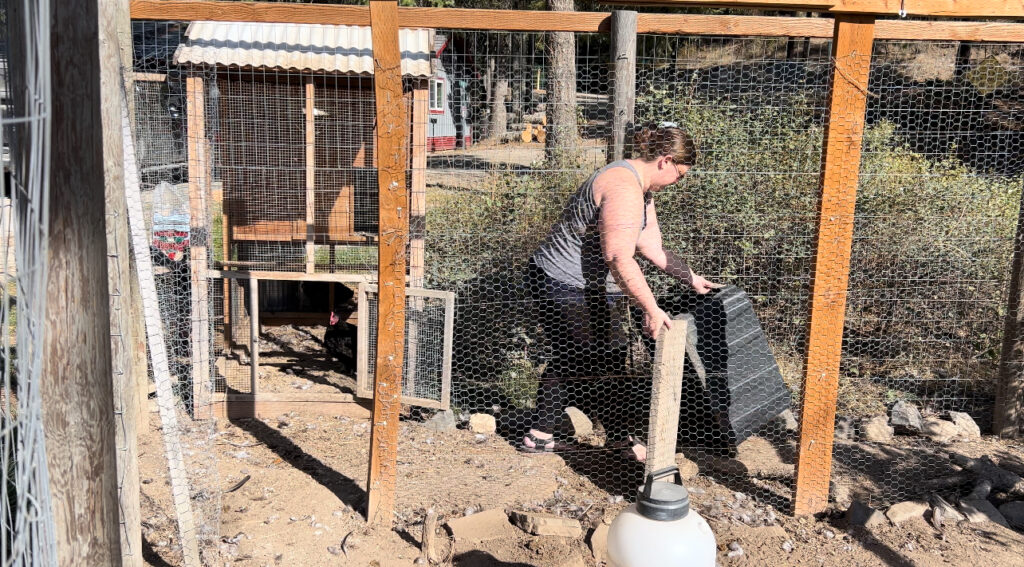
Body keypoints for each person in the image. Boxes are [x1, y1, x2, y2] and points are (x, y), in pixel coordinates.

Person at [520, 122, 717, 458]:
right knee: (577, 357)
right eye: (680, 175)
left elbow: (650, 245)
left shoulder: (643, 191)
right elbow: (618, 257)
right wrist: (652, 309)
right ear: (664, 161)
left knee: (608, 356)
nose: (678, 182)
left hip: (589, 284)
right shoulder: (624, 188)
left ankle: (616, 438)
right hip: (561, 282)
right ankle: (541, 436)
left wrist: (692, 278)